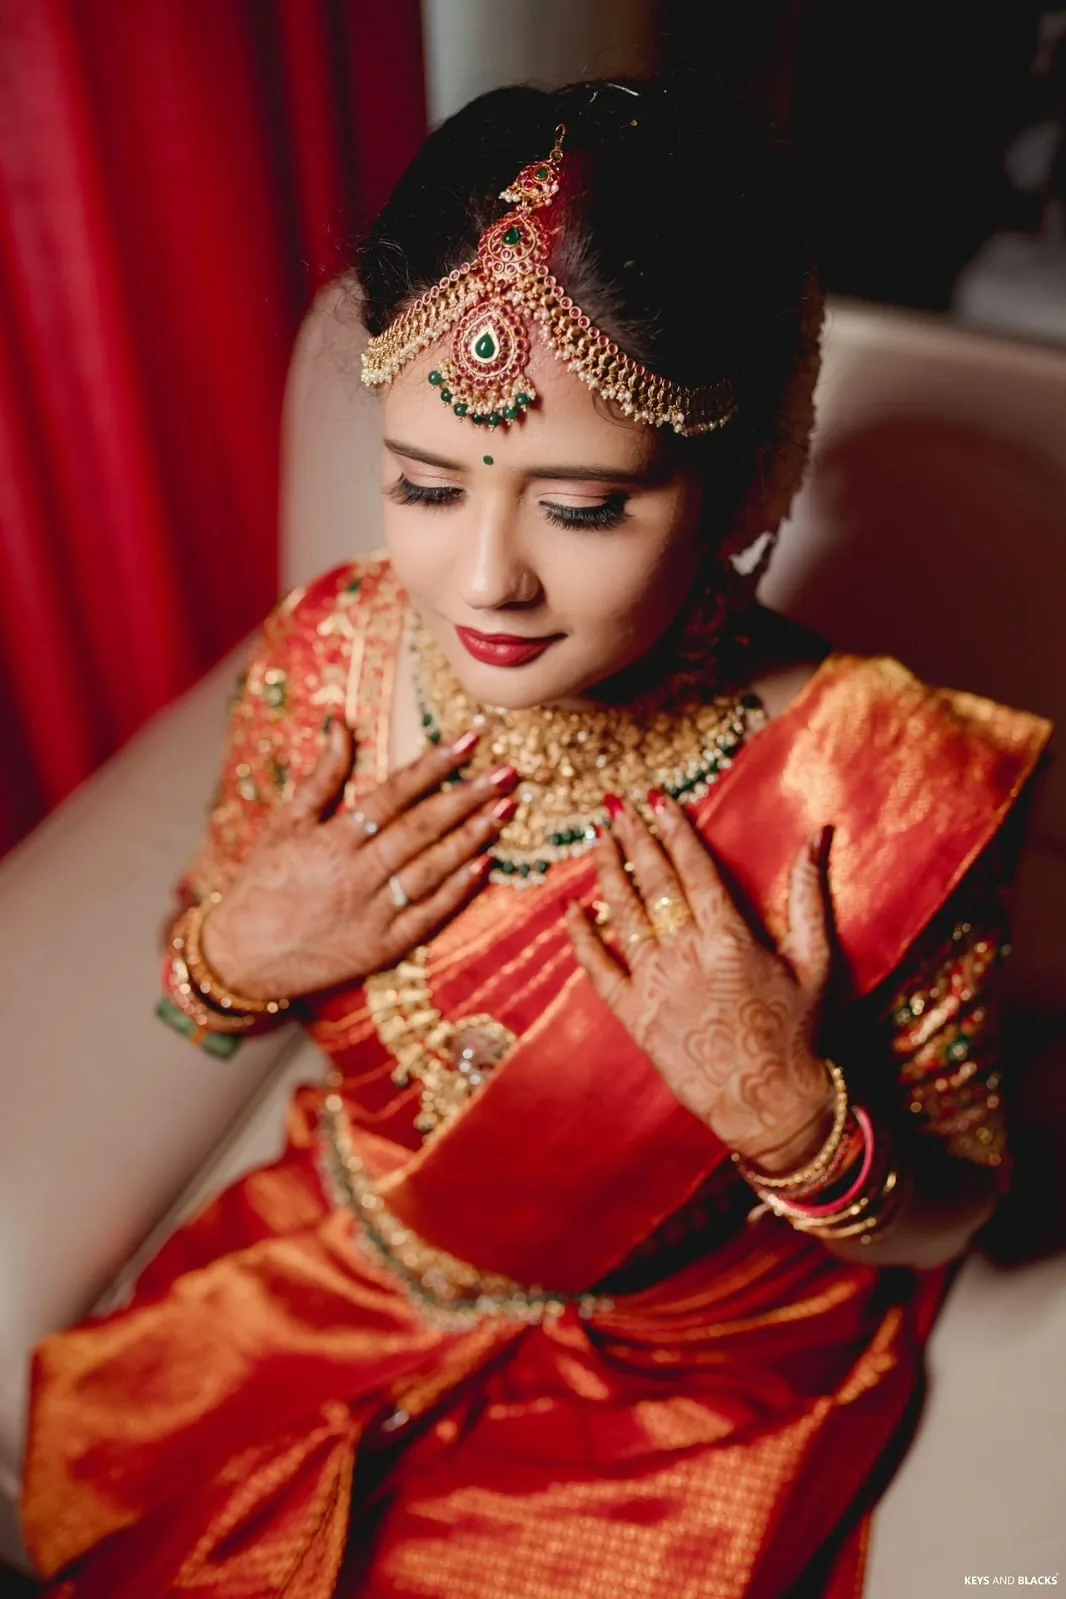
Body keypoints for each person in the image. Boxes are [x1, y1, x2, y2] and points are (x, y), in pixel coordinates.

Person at [20, 77, 1052, 1599]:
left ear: (744, 480)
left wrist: (786, 1114)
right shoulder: (334, 659)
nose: (484, 580)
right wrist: (233, 955)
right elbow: (208, 1000)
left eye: (581, 508)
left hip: (683, 1368)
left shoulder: (880, 786)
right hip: (339, 1276)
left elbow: (953, 1217)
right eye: (424, 484)